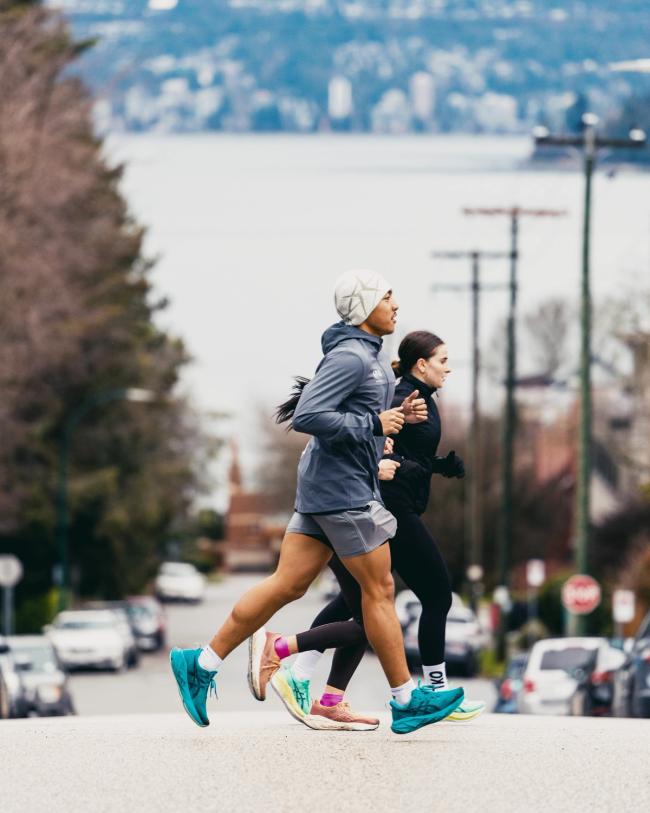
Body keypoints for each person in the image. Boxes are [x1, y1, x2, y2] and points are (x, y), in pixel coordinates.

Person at [170, 271, 464, 735]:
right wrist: (374, 424)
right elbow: (309, 414)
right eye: (387, 297)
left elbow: (361, 415)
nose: (396, 305)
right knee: (380, 591)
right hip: (343, 493)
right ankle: (406, 699)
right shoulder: (350, 357)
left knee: (287, 585)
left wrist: (396, 418)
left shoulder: (369, 356)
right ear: (365, 306)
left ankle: (202, 662)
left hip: (328, 489)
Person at [260, 331, 484, 729]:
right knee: (434, 592)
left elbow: (402, 451)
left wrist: (435, 466)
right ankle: (432, 689)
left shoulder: (419, 399)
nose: (449, 368)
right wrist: (411, 466)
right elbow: (375, 447)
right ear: (421, 365)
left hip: (388, 506)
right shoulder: (402, 397)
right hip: (386, 508)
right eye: (443, 360)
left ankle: (322, 690)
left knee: (362, 604)